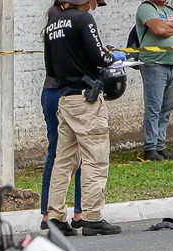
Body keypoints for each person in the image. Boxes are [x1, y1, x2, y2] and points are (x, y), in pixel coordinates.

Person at [44, 0, 124, 236]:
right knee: (94, 158)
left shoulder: (52, 24)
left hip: (65, 99)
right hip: (86, 99)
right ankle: (91, 216)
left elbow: (50, 68)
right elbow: (100, 56)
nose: (94, 7)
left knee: (64, 161)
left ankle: (55, 217)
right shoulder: (83, 19)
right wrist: (114, 57)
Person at [135, 0, 173, 161]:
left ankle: (161, 146)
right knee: (154, 107)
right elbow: (159, 30)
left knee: (167, 106)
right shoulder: (146, 8)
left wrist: (168, 24)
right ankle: (151, 148)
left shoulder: (170, 9)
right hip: (154, 64)